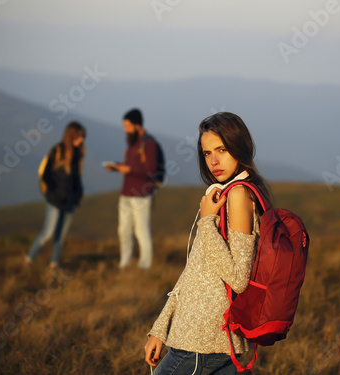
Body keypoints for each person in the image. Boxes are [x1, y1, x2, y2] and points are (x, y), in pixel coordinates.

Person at [144, 112, 272, 374]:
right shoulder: (223, 194)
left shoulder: (237, 195)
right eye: (207, 153)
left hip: (203, 340)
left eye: (222, 150)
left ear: (239, 147)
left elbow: (238, 277)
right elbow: (194, 274)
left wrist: (206, 221)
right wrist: (160, 329)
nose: (214, 161)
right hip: (209, 337)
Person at [24, 121, 86, 269]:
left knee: (61, 235)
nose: (82, 139)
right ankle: (29, 259)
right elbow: (45, 174)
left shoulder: (79, 153)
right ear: (71, 136)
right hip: (55, 200)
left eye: (83, 137)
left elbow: (77, 177)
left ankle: (54, 263)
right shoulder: (57, 150)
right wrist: (55, 191)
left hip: (70, 200)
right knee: (48, 233)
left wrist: (78, 194)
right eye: (79, 136)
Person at [106, 108, 159, 270]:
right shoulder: (131, 143)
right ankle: (125, 263)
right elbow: (131, 165)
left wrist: (130, 170)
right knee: (123, 231)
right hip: (126, 194)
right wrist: (116, 167)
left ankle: (145, 266)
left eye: (128, 126)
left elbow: (152, 171)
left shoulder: (149, 144)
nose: (125, 129)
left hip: (141, 195)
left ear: (137, 125)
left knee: (141, 231)